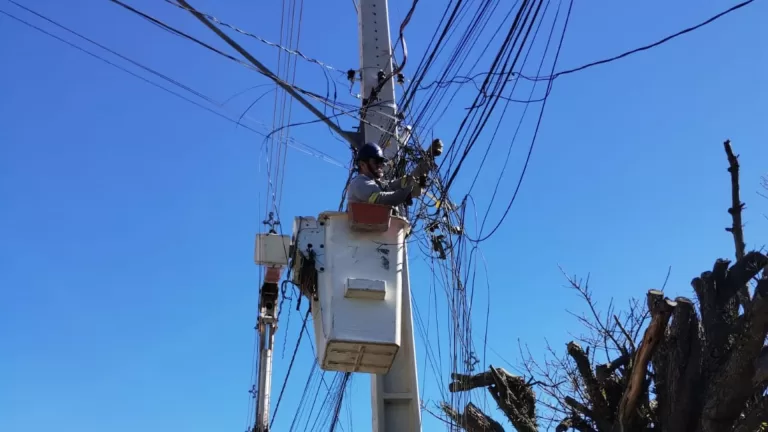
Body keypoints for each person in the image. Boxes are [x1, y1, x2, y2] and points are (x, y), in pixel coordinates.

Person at [347, 139, 443, 208]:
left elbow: (403, 182)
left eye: (381, 161)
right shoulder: (359, 183)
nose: (380, 165)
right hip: (363, 234)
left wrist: (427, 161)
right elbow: (385, 200)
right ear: (363, 164)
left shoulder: (378, 185)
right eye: (376, 162)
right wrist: (409, 191)